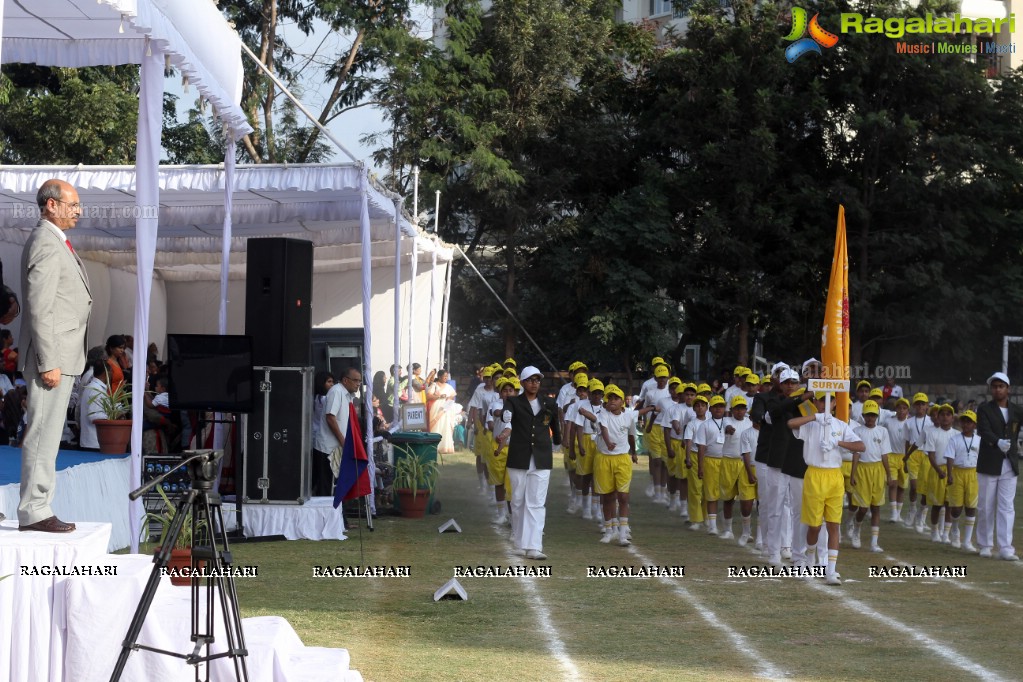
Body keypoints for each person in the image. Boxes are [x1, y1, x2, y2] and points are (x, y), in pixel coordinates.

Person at [17, 179, 93, 533]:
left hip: (61, 356)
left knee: (49, 434)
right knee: (43, 433)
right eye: (72, 204)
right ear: (51, 205)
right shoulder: (46, 241)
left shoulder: (53, 240)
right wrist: (48, 361)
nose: (78, 210)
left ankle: (39, 504)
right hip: (53, 358)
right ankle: (34, 509)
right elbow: (39, 305)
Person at [788, 393, 865, 586]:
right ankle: (811, 563)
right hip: (814, 474)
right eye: (821, 400)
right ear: (815, 403)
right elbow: (791, 424)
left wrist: (838, 443)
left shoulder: (841, 425)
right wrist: (815, 417)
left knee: (833, 524)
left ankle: (831, 570)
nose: (824, 404)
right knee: (814, 525)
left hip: (834, 476)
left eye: (828, 400)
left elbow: (861, 446)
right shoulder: (811, 424)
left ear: (833, 404)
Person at [496, 366, 561, 561]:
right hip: (519, 457)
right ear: (523, 383)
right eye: (530, 380)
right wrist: (505, 427)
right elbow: (506, 415)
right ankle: (518, 542)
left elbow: (554, 424)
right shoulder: (514, 402)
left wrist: (558, 441)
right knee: (517, 501)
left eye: (537, 380)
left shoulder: (549, 402)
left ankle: (534, 546)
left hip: (541, 457)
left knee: (536, 503)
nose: (534, 383)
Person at [975, 371, 1022, 560]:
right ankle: (985, 544)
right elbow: (984, 430)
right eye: (994, 387)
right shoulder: (984, 408)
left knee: (1006, 507)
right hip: (989, 462)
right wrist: (997, 442)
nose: (997, 389)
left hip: (1009, 463)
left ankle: (1005, 547)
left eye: (1001, 386)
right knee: (986, 505)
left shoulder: (1016, 410)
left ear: (1008, 389)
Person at [594, 384, 638, 546]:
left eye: (616, 398)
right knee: (607, 496)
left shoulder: (628, 417)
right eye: (610, 398)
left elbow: (631, 436)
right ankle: (609, 529)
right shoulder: (603, 414)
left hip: (622, 459)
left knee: (623, 496)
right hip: (604, 458)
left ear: (622, 402)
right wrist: (608, 442)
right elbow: (604, 429)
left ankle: (623, 532)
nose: (612, 401)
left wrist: (633, 452)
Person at [849, 400, 893, 552]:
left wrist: (889, 474)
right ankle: (857, 528)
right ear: (863, 415)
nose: (870, 418)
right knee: (862, 508)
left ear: (877, 416)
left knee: (876, 507)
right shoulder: (857, 431)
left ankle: (874, 542)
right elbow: (856, 454)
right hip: (862, 470)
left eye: (873, 415)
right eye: (868, 415)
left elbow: (885, 455)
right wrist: (853, 474)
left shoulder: (882, 431)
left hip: (878, 470)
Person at [945, 409, 980, 553]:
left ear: (974, 425)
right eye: (964, 421)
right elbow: (949, 457)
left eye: (969, 422)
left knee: (971, 507)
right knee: (957, 507)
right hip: (958, 472)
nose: (966, 424)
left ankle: (967, 541)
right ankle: (954, 530)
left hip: (973, 473)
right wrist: (949, 474)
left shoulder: (979, 440)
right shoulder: (954, 439)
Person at [310, 371, 336, 497]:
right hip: (321, 440)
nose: (332, 385)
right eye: (329, 382)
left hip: (315, 438)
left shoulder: (316, 398)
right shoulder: (324, 399)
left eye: (332, 382)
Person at [78, 358, 108, 451]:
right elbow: (95, 416)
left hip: (91, 442)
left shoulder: (93, 387)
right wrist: (113, 415)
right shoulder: (96, 390)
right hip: (94, 443)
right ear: (107, 373)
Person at [427, 368, 457, 455]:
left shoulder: (449, 386)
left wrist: (448, 398)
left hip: (446, 409)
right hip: (437, 408)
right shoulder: (434, 385)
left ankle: (445, 447)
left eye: (446, 376)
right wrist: (439, 397)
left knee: (446, 426)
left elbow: (452, 396)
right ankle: (435, 446)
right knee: (437, 426)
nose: (445, 378)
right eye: (444, 376)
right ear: (439, 376)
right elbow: (428, 396)